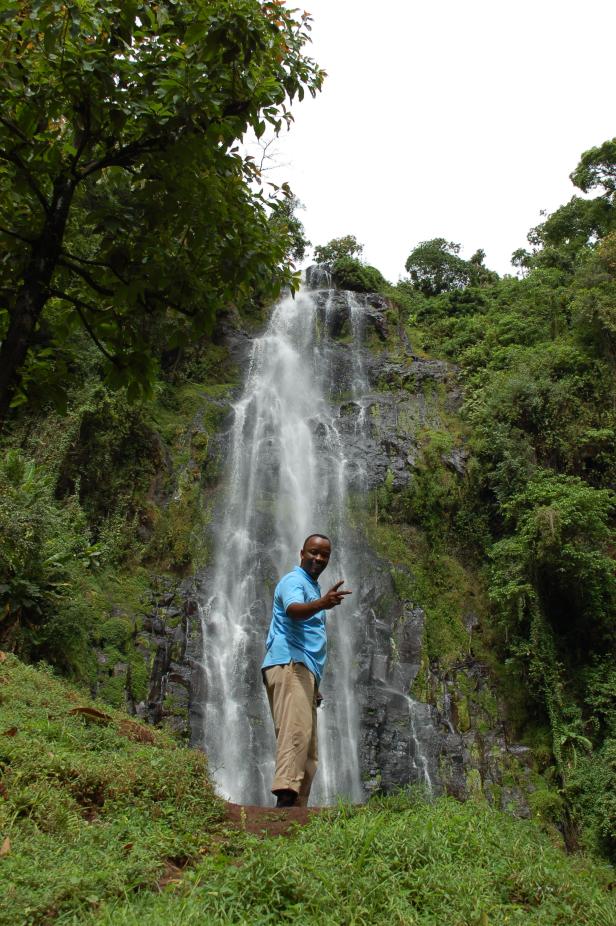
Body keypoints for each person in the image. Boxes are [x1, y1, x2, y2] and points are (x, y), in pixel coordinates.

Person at [261, 533, 351, 807]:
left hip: (303, 671)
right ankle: (285, 800)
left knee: (309, 747)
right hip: (289, 664)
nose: (318, 558)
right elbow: (293, 610)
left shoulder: (310, 586)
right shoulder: (294, 581)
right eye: (313, 552)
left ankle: (297, 806)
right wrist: (322, 604)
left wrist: (314, 685)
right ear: (301, 553)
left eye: (324, 555)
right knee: (295, 732)